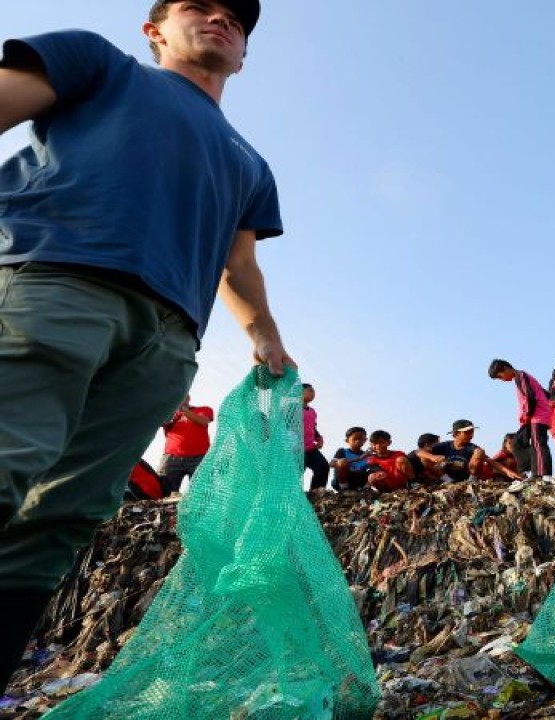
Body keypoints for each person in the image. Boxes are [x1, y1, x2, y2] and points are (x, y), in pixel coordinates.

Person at [0, 0, 290, 687]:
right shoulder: (98, 64)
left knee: (61, 520)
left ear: (244, 54)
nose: (222, 18)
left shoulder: (250, 162)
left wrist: (266, 338)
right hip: (53, 283)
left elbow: (238, 265)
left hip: (165, 342)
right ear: (155, 30)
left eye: (237, 18)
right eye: (199, 6)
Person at [488, 359, 554, 480]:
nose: (502, 380)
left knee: (539, 444)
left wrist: (528, 413)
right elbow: (544, 393)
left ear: (506, 369)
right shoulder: (522, 378)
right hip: (533, 416)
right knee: (517, 442)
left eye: (500, 376)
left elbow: (530, 396)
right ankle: (531, 472)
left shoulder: (521, 376)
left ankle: (545, 474)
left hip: (535, 416)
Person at [157, 394, 215, 495]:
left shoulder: (204, 409)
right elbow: (158, 422)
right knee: (162, 491)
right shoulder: (170, 414)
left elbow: (203, 421)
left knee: (202, 493)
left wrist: (183, 409)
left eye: (183, 396)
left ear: (188, 398)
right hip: (171, 458)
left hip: (199, 458)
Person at [431, 420, 520, 482]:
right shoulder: (444, 446)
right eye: (467, 432)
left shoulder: (472, 447)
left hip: (465, 477)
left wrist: (508, 472)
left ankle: (472, 480)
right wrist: (433, 457)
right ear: (456, 434)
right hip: (447, 477)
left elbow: (491, 462)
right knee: (426, 457)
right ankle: (448, 480)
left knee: (479, 452)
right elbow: (419, 452)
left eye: (472, 432)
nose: (471, 435)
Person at [301, 383, 329, 491]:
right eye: (310, 390)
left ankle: (316, 492)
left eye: (314, 391)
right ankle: (291, 495)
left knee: (322, 466)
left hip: (310, 448)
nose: (313, 393)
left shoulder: (312, 411)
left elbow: (313, 427)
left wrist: (319, 438)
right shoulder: (293, 409)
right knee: (296, 473)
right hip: (295, 450)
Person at [331, 427, 371, 491]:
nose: (358, 441)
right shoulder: (342, 451)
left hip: (359, 481)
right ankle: (344, 488)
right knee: (342, 461)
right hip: (343, 480)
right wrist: (359, 458)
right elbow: (331, 464)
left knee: (375, 466)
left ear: (365, 440)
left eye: (361, 439)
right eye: (355, 439)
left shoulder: (367, 455)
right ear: (347, 440)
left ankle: (366, 488)